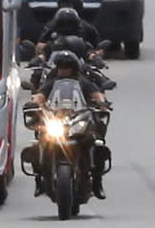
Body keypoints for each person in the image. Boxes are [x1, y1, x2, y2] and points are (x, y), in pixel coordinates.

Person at [27, 49, 111, 198]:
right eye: (60, 67)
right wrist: (33, 103)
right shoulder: (51, 82)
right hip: (56, 118)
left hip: (77, 119)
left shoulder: (82, 82)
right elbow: (40, 95)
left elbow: (95, 93)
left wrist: (102, 102)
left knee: (97, 144)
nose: (63, 70)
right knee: (36, 144)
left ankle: (97, 181)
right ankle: (39, 179)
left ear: (74, 69)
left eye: (67, 67)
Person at [36, 0, 101, 57]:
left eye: (70, 5)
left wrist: (94, 56)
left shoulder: (87, 28)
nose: (67, 9)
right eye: (63, 5)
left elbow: (98, 49)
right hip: (55, 62)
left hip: (80, 62)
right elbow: (40, 47)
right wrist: (42, 55)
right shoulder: (50, 27)